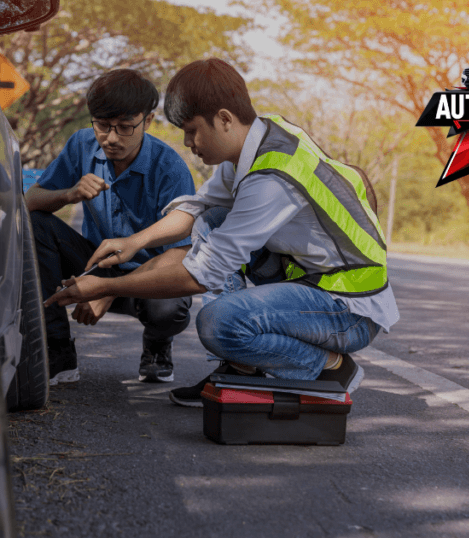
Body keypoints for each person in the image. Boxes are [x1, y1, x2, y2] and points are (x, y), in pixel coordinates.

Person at [43, 58, 399, 407]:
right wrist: (134, 242)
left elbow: (201, 276)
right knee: (212, 218)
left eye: (192, 130)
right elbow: (196, 208)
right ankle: (240, 369)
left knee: (218, 324)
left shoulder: (270, 178)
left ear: (224, 119)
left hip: (348, 308)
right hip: (312, 281)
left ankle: (331, 366)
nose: (187, 142)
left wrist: (105, 286)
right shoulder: (260, 136)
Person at [26, 68, 197, 385]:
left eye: (124, 127)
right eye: (103, 126)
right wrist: (69, 193)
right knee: (36, 225)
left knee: (169, 310)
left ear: (147, 121)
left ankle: (158, 345)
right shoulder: (82, 144)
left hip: (151, 278)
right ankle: (57, 351)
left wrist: (107, 290)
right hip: (96, 264)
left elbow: (183, 253)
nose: (111, 138)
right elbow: (30, 200)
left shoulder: (170, 167)